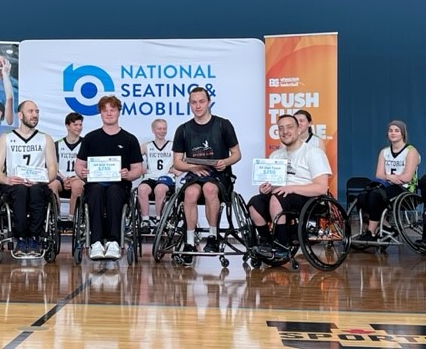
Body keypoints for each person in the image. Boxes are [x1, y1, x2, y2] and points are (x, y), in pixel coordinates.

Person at [172, 87, 241, 265]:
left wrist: (225, 162)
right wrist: (194, 168)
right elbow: (178, 162)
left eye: (201, 101)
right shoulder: (183, 129)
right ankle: (189, 241)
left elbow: (237, 154)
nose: (198, 105)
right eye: (194, 102)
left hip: (218, 175)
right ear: (189, 104)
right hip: (195, 175)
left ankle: (212, 236)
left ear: (208, 102)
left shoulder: (223, 124)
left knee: (210, 189)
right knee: (190, 194)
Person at [248, 114, 331, 259]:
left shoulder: (313, 153)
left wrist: (291, 188)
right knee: (255, 203)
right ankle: (267, 242)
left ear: (299, 130)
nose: (284, 131)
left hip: (308, 199)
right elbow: (272, 186)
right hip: (281, 197)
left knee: (277, 198)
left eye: (289, 127)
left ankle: (283, 245)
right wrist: (266, 188)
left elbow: (321, 188)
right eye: (281, 128)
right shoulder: (275, 156)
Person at [75, 95, 143, 260]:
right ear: (100, 113)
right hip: (95, 184)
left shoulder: (129, 139)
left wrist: (129, 174)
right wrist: (81, 172)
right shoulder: (91, 138)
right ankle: (96, 242)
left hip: (119, 185)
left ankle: (114, 241)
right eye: (105, 110)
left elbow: (138, 169)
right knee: (96, 191)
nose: (109, 113)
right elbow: (79, 164)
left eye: (112, 110)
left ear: (119, 112)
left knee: (113, 191)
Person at [0, 100, 58, 256]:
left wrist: (42, 179)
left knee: (36, 191)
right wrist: (7, 179)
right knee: (20, 191)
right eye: (31, 111)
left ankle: (35, 238)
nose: (35, 115)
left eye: (37, 112)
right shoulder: (6, 138)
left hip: (37, 183)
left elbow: (53, 169)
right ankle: (20, 238)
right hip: (14, 185)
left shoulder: (45, 138)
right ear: (20, 115)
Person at [358, 120, 420, 242]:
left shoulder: (411, 151)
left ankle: (371, 232)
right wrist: (390, 177)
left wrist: (388, 177)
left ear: (402, 134)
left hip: (406, 189)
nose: (393, 133)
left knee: (376, 196)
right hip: (387, 185)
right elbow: (378, 175)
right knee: (363, 197)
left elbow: (407, 177)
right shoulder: (384, 152)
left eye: (397, 131)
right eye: (390, 130)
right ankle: (387, 226)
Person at [138, 118, 181, 234]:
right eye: (159, 128)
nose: (162, 131)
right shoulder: (146, 146)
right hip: (150, 177)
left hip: (166, 178)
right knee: (141, 189)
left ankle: (159, 220)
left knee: (160, 189)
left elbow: (185, 161)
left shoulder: (173, 146)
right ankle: (145, 221)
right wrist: (139, 169)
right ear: (153, 130)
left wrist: (178, 170)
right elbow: (133, 159)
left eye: (164, 129)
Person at [49, 112, 85, 229]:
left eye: (80, 125)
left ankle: (71, 218)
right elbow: (54, 166)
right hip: (61, 178)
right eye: (75, 125)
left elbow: (88, 166)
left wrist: (76, 177)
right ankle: (57, 217)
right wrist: (64, 179)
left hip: (78, 178)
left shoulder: (85, 144)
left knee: (77, 185)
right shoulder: (57, 144)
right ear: (67, 126)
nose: (78, 128)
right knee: (52, 185)